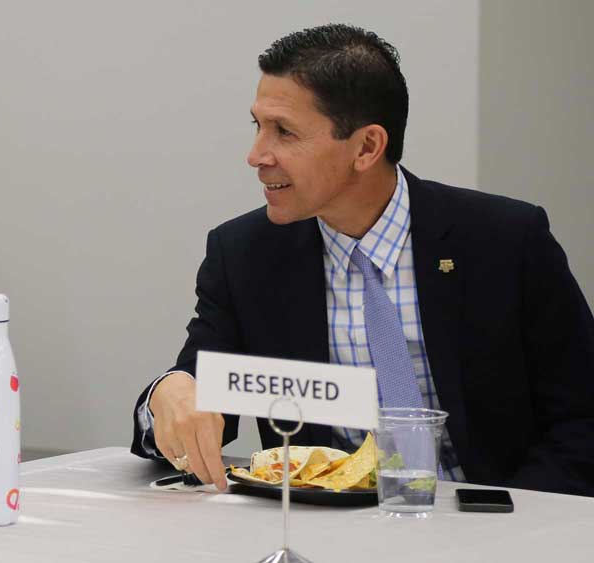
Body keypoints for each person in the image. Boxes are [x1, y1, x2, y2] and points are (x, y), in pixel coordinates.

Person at [131, 24, 594, 497]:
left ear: (367, 147)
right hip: (327, 531)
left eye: (284, 132)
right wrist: (169, 394)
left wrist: (504, 527)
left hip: (495, 520)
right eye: (258, 126)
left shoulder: (505, 241)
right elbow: (200, 401)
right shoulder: (245, 254)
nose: (256, 155)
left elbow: (582, 420)